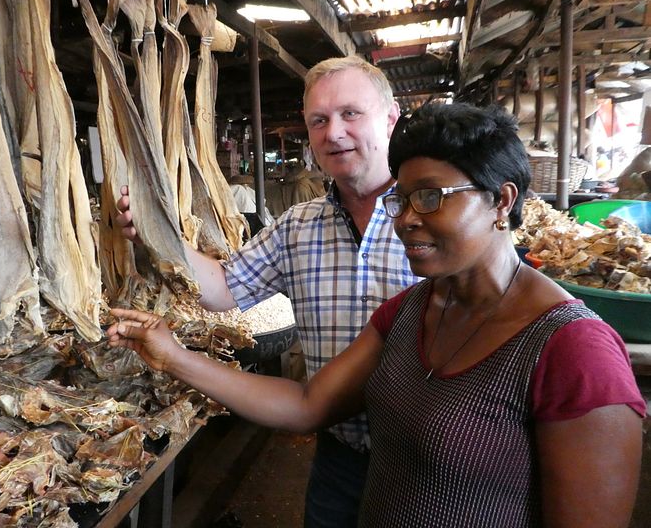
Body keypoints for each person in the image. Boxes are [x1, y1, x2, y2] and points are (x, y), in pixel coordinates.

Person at [110, 102, 645, 527]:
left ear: (502, 201)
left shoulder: (574, 351)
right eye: (403, 200)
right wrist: (172, 355)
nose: (407, 219)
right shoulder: (411, 310)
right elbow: (306, 404)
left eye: (431, 197)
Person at [116, 55, 417, 527]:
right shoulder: (298, 227)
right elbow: (222, 289)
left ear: (391, 117)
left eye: (350, 114)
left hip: (427, 460)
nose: (333, 132)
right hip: (339, 456)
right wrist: (156, 235)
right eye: (319, 120)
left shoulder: (430, 217)